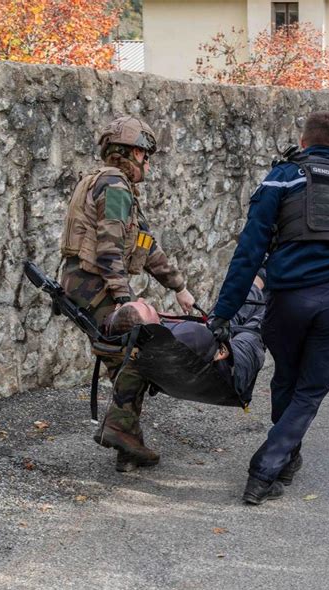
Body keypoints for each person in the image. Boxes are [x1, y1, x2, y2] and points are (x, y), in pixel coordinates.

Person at [208, 111, 329, 505]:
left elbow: (249, 251)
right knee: (310, 388)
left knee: (287, 378)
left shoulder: (281, 177)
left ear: (303, 137)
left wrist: (224, 313)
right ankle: (271, 464)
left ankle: (276, 462)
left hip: (288, 300)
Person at [60, 115, 195, 472]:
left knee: (125, 358)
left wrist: (179, 288)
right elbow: (107, 250)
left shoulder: (114, 187)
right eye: (146, 156)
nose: (147, 165)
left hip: (87, 283)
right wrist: (124, 301)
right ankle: (122, 432)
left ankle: (127, 444)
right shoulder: (116, 186)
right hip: (93, 285)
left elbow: (147, 249)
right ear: (133, 153)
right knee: (139, 351)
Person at [104, 276, 267, 406]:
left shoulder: (137, 346)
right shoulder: (189, 335)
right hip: (237, 369)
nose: (141, 300)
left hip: (211, 354)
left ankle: (260, 276)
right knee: (267, 316)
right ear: (147, 328)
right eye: (146, 308)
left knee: (231, 302)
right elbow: (221, 347)